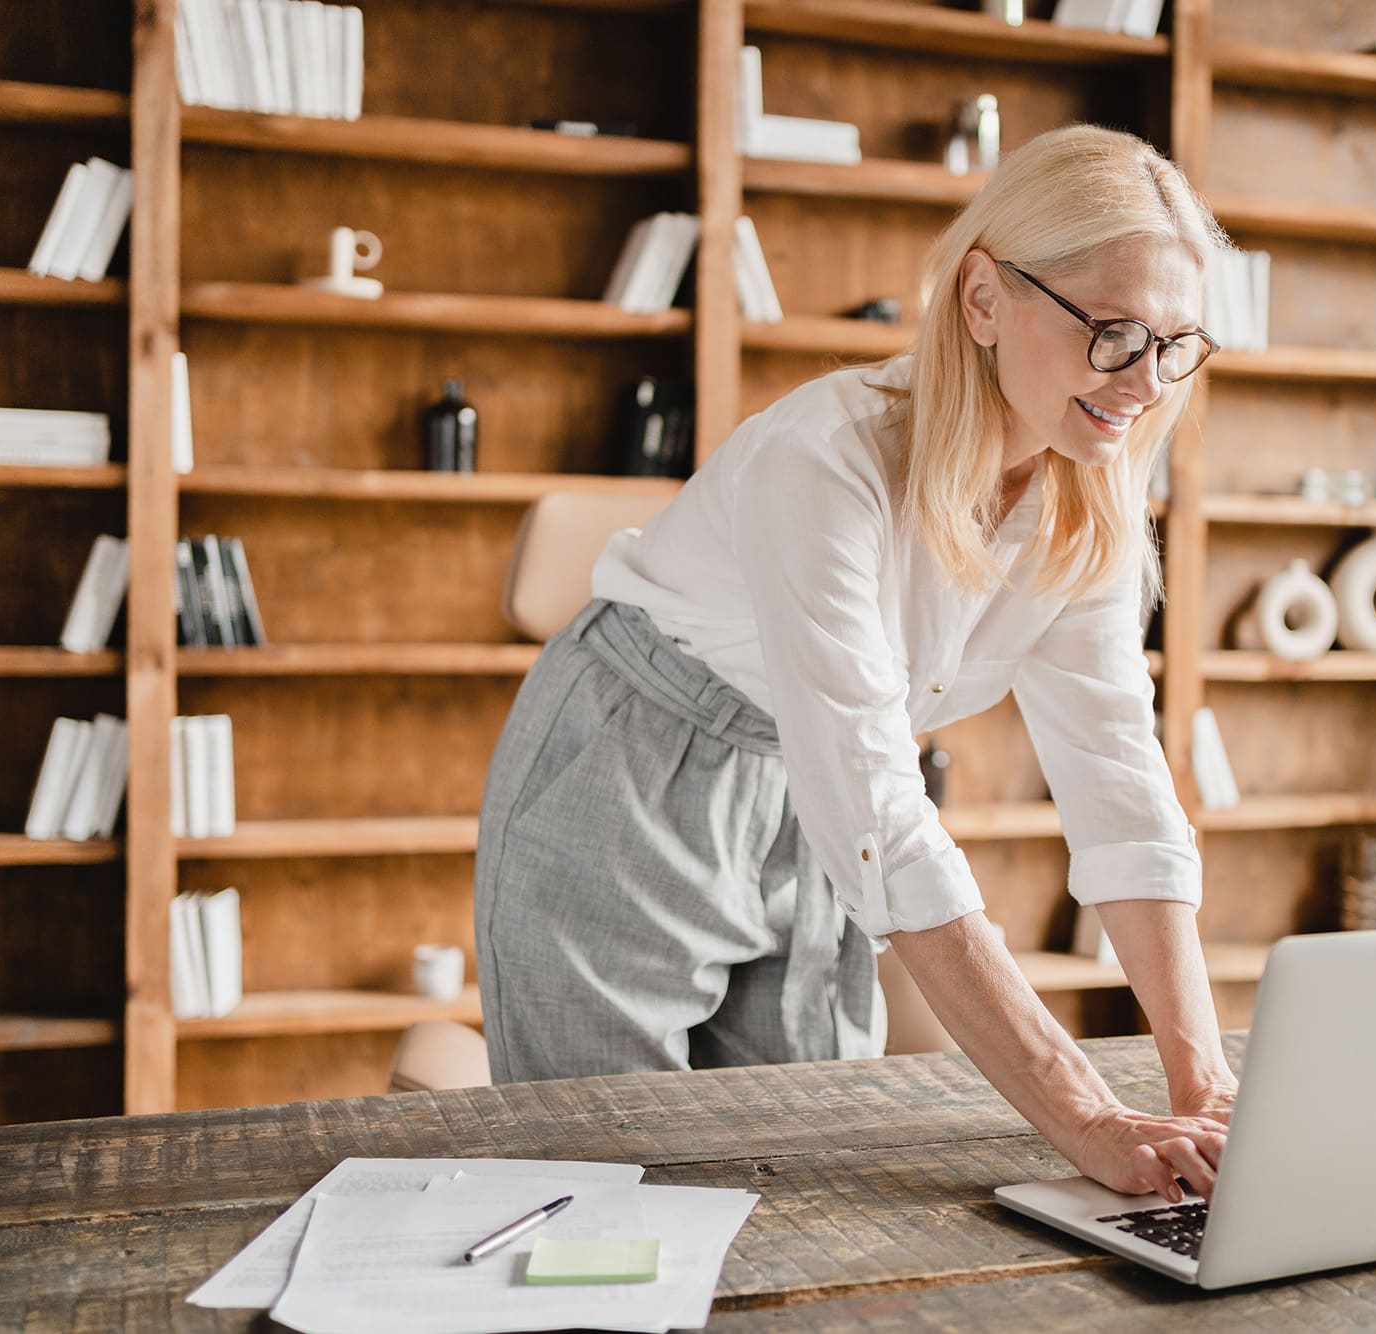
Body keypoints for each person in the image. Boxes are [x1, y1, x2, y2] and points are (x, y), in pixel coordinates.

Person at [475, 124, 1235, 1201]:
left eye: (1174, 343)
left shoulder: (1088, 492)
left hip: (806, 790)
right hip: (628, 772)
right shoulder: (822, 460)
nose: (1145, 381)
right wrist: (1084, 1112)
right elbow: (877, 811)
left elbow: (1119, 784)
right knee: (607, 1193)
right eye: (1112, 332)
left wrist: (1200, 1079)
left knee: (795, 1175)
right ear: (981, 297)